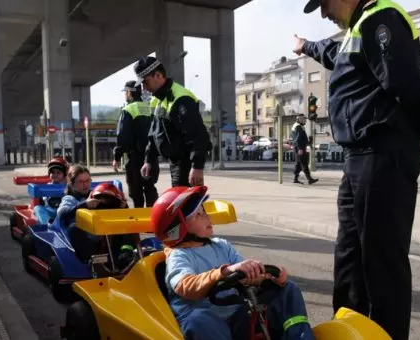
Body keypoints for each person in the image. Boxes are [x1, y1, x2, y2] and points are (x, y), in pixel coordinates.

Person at [295, 0, 420, 339]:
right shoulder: (358, 28)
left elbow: (406, 84)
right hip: (359, 158)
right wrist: (306, 46)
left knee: (381, 262)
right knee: (350, 255)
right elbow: (335, 54)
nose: (324, 13)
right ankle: (349, 330)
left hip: (382, 154)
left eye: (325, 2)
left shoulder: (381, 19)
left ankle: (386, 335)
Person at [152, 186, 315, 340]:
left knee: (288, 289)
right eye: (199, 215)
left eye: (204, 211)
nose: (207, 217)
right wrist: (223, 273)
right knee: (200, 319)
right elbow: (185, 285)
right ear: (179, 228)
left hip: (235, 315)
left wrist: (268, 276)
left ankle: (300, 337)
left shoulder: (221, 246)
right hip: (204, 324)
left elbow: (245, 275)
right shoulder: (179, 256)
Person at [133, 56, 211, 187]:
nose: (144, 88)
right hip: (175, 163)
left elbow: (198, 135)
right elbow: (153, 134)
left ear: (158, 75)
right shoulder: (158, 100)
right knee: (183, 205)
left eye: (146, 82)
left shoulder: (181, 99)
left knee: (185, 205)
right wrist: (149, 160)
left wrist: (197, 166)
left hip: (185, 163)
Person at [113, 80, 159, 207]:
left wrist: (117, 156)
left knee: (136, 191)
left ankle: (140, 222)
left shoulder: (128, 109)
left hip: (135, 158)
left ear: (129, 93)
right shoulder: (150, 108)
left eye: (126, 92)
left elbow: (123, 135)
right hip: (151, 158)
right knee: (150, 189)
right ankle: (152, 218)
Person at [32, 157, 69, 224]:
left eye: (58, 173)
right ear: (49, 174)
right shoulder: (45, 187)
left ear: (64, 174)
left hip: (65, 213)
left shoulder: (69, 187)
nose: (55, 175)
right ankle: (47, 225)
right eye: (52, 172)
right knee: (38, 208)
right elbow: (40, 203)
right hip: (50, 214)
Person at [291, 114, 318, 185]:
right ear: (299, 119)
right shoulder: (298, 127)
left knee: (299, 164)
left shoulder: (298, 126)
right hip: (300, 148)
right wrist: (300, 148)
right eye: (303, 119)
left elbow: (301, 139)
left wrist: (309, 141)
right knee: (304, 164)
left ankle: (295, 179)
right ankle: (310, 179)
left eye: (305, 119)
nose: (305, 120)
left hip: (299, 148)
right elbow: (298, 139)